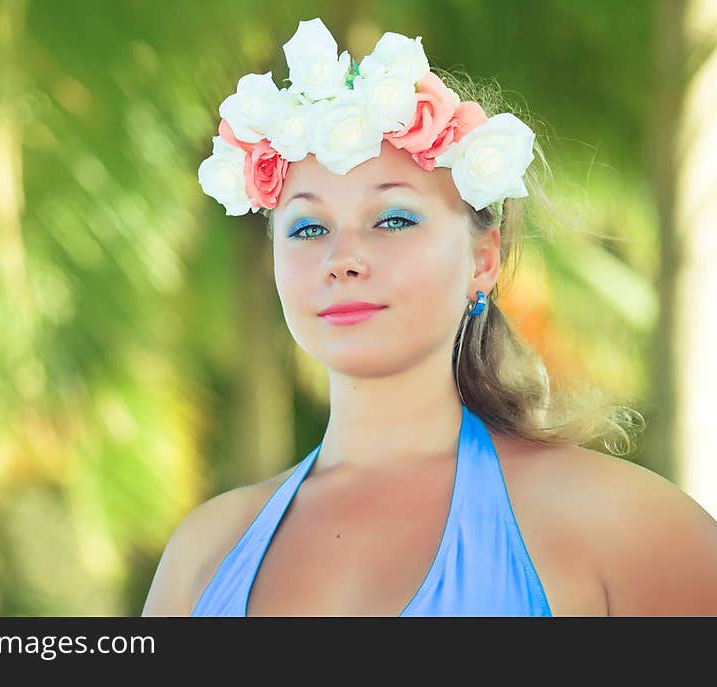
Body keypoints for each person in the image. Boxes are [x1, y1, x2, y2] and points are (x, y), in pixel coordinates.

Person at [142, 18, 717, 617]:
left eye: (393, 219)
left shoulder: (621, 526)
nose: (343, 260)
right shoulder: (205, 553)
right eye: (309, 228)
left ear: (483, 259)